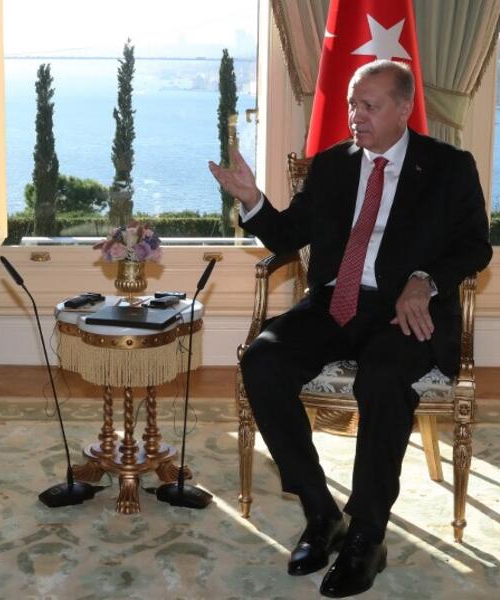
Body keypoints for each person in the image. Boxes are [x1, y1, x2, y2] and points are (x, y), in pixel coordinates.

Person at [209, 59, 492, 597]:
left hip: (403, 311)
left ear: (404, 108)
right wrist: (252, 200)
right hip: (334, 303)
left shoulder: (449, 167)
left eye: (369, 106)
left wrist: (425, 279)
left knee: (382, 379)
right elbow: (289, 235)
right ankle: (322, 513)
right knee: (262, 360)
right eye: (351, 106)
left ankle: (367, 533)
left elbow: (475, 245)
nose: (355, 117)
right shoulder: (333, 165)